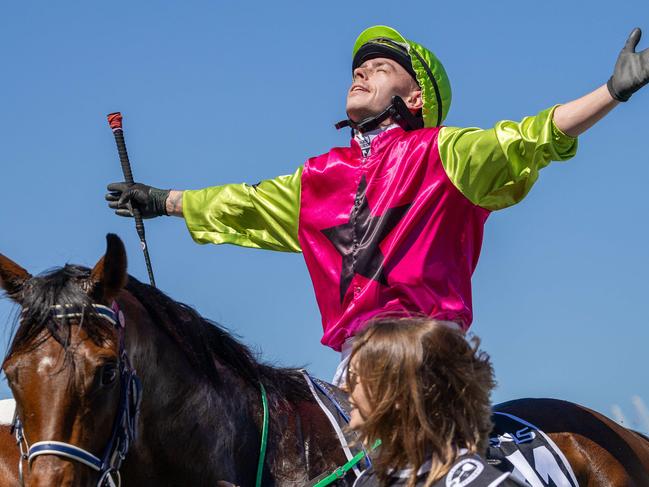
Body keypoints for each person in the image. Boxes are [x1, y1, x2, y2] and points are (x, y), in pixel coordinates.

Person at [106, 25, 649, 385]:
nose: (360, 71)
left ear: (415, 99)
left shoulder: (445, 153)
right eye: (358, 66)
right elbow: (243, 204)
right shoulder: (318, 177)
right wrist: (161, 200)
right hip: (353, 368)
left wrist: (612, 91)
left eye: (381, 67)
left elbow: (532, 137)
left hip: (429, 355)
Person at [346, 317, 521, 486]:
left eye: (354, 376)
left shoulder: (483, 483)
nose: (346, 387)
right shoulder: (365, 482)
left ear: (398, 392)